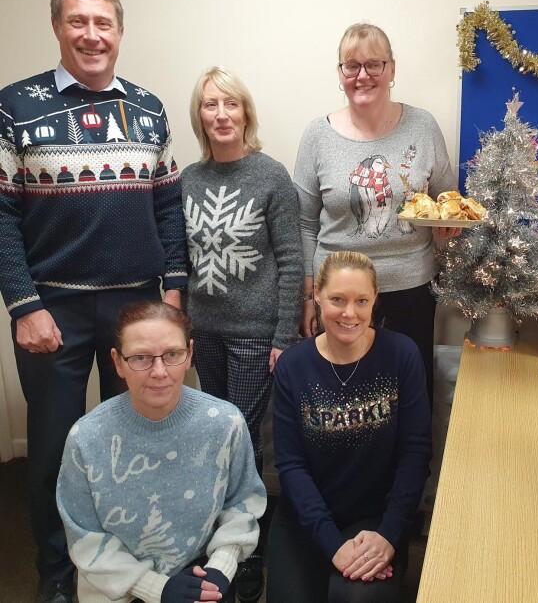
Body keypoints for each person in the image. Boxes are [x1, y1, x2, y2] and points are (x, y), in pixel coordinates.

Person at [0, 0, 188, 602]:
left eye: (102, 23)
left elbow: (168, 208)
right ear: (58, 27)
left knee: (134, 444)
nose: (91, 34)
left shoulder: (149, 108)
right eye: (78, 22)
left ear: (119, 31)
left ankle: (129, 571)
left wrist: (174, 296)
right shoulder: (14, 108)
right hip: (50, 307)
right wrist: (24, 304)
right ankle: (57, 578)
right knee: (54, 454)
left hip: (136, 307)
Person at [182, 66, 303, 601]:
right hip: (205, 329)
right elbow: (179, 257)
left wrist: (283, 335)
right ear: (200, 116)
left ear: (246, 112)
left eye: (231, 104)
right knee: (216, 435)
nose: (221, 114)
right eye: (211, 105)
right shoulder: (188, 178)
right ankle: (224, 535)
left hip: (256, 333)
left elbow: (292, 261)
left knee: (243, 439)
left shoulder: (271, 175)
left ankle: (244, 551)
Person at [56, 301, 267, 603]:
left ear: (190, 354)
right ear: (118, 362)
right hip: (117, 588)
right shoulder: (86, 438)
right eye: (141, 357)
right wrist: (155, 588)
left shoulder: (225, 423)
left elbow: (242, 504)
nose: (159, 372)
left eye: (172, 355)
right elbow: (84, 537)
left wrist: (221, 567)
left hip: (201, 576)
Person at [293, 22, 458, 405]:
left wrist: (445, 231)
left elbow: (446, 200)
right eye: (351, 66)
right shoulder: (317, 135)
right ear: (340, 74)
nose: (362, 75)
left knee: (408, 399)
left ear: (392, 70)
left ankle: (411, 467)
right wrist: (308, 295)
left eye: (373, 64)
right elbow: (302, 223)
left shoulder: (423, 126)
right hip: (338, 297)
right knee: (341, 401)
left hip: (410, 289)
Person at [268, 251, 432, 602]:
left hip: (375, 517)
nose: (349, 313)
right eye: (337, 300)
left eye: (361, 301)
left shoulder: (402, 354)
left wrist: (388, 534)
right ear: (317, 297)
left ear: (375, 301)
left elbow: (415, 453)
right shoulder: (293, 366)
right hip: (307, 516)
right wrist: (331, 544)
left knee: (356, 598)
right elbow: (291, 465)